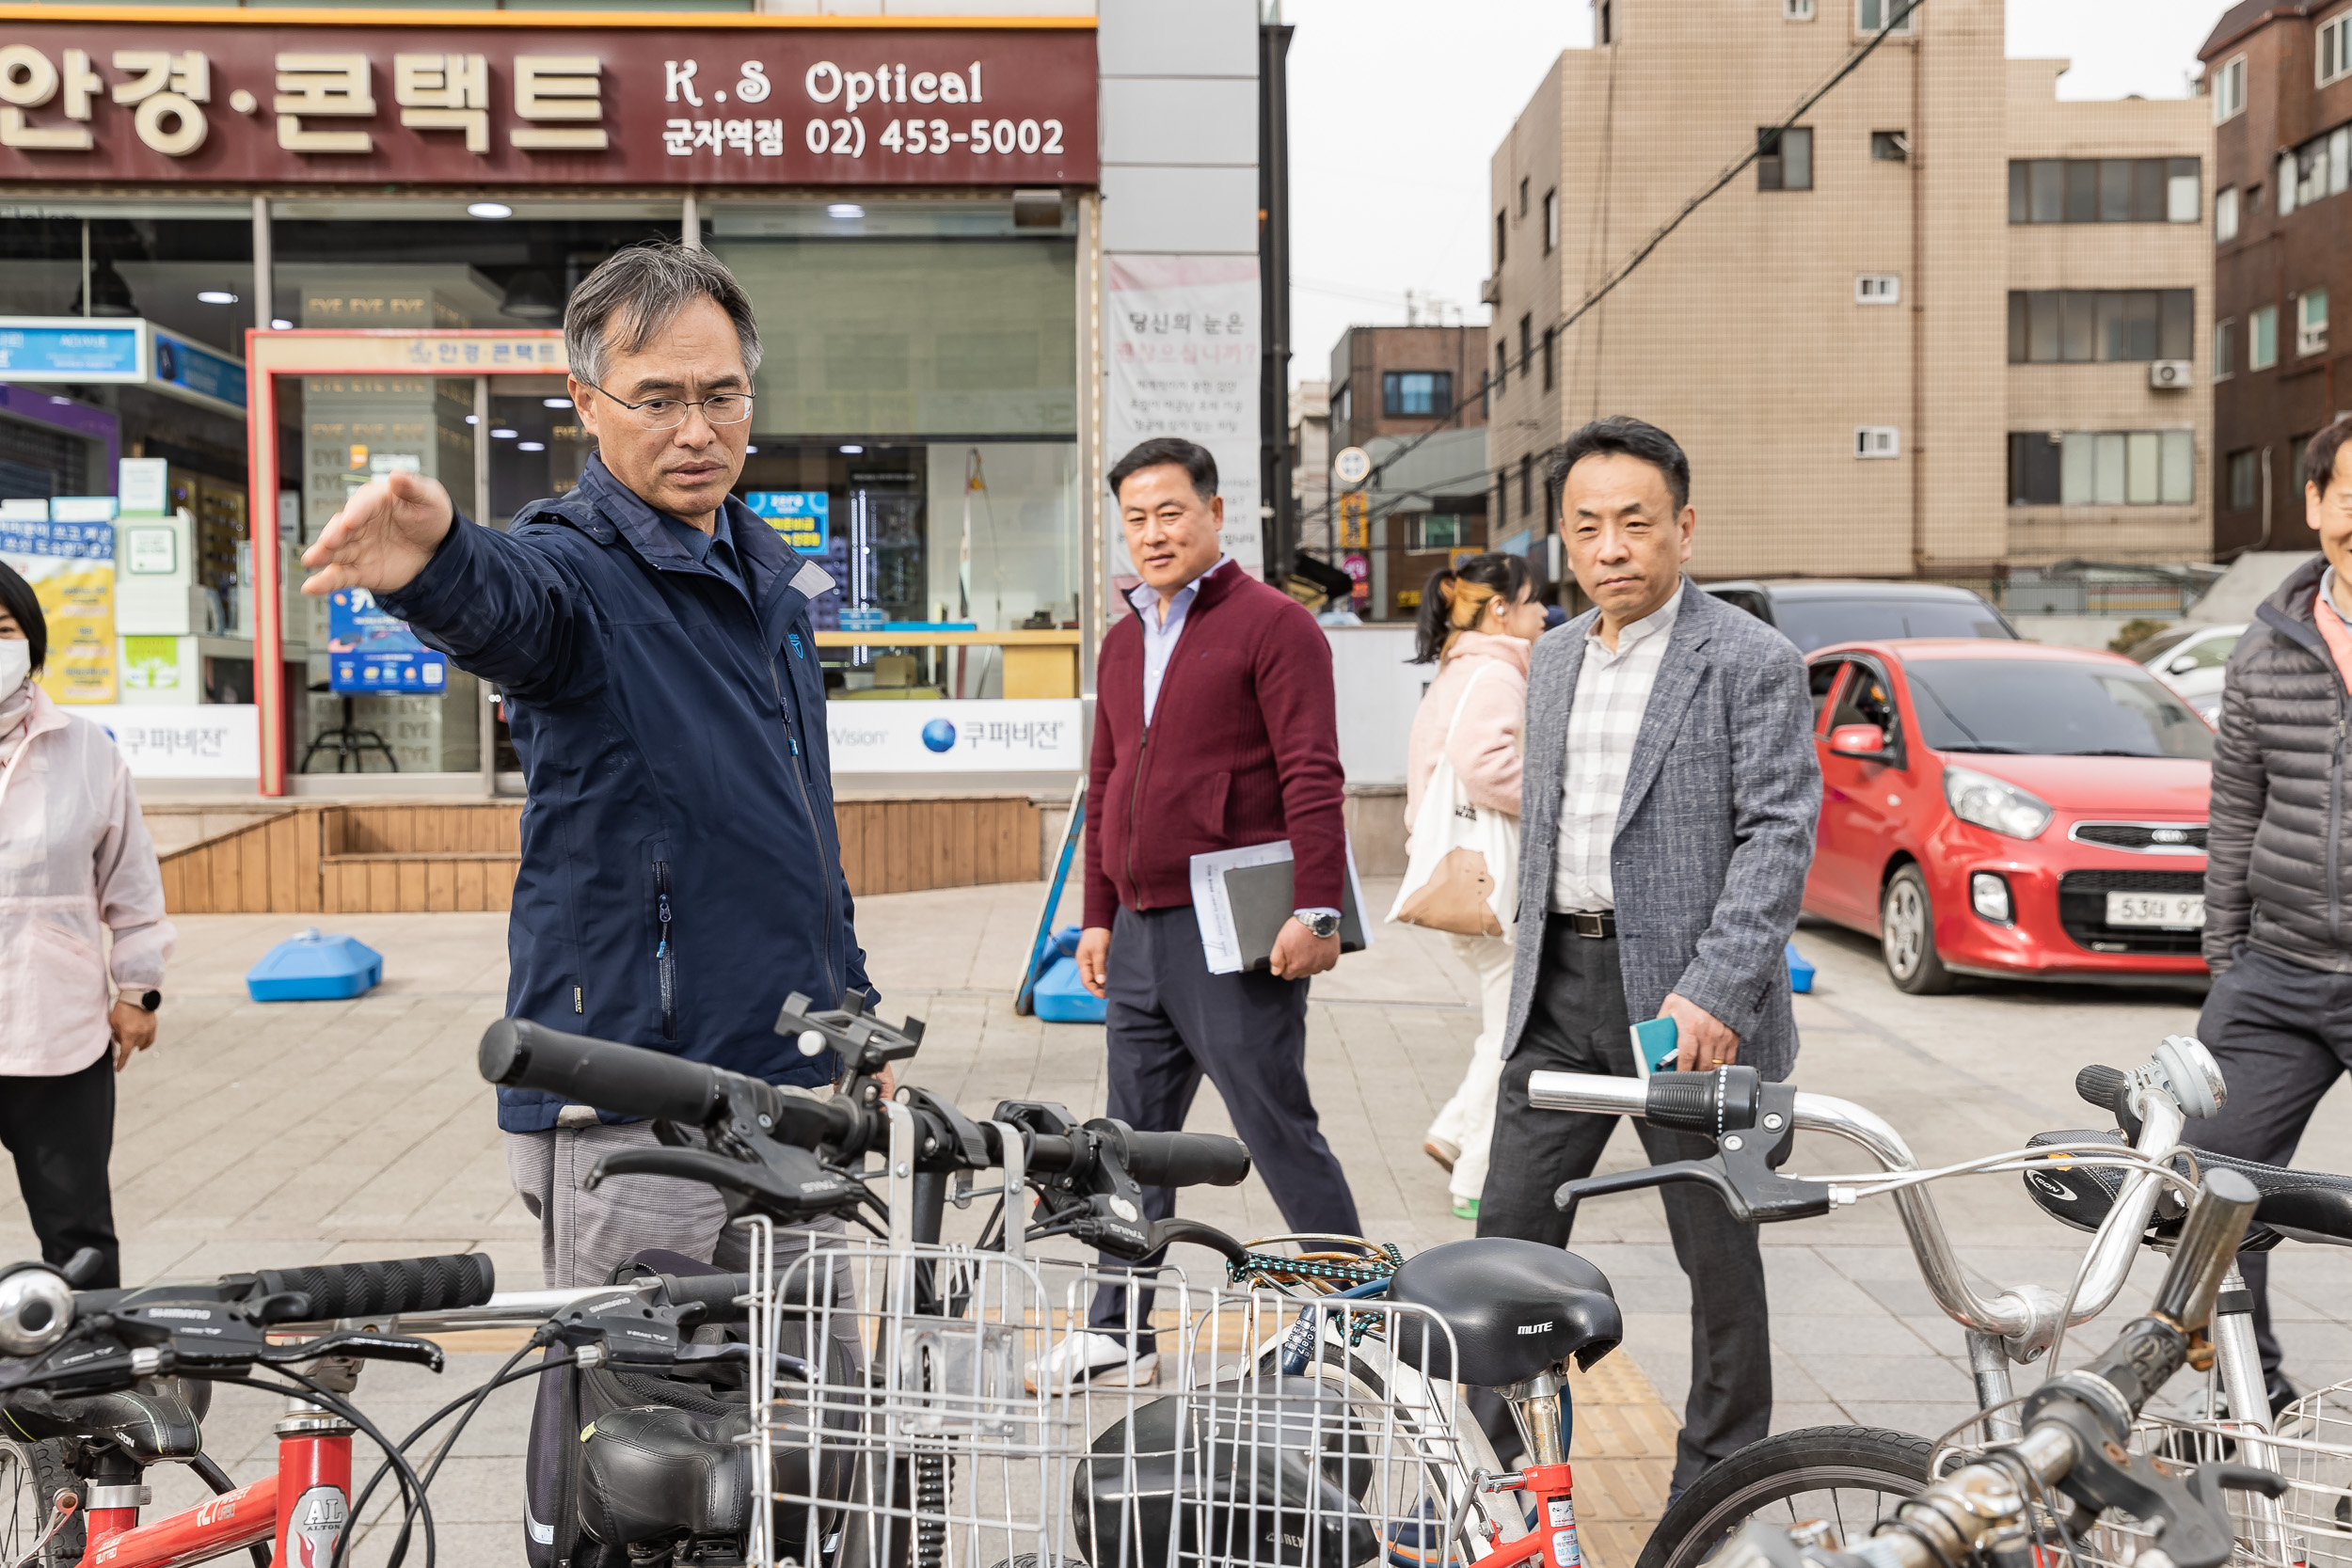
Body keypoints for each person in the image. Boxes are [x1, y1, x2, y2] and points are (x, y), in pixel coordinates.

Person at [300, 242, 876, 1292]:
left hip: (788, 1083)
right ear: (587, 403)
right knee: (624, 1425)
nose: (696, 429)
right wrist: (438, 567)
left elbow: (797, 833)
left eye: (721, 394)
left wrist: (853, 1003)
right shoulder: (571, 563)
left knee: (806, 1417)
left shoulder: (770, 585)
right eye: (657, 398)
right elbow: (510, 606)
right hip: (628, 1086)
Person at [1477, 417, 1819, 1497]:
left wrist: (1716, 987)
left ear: (1683, 525)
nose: (1611, 546)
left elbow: (1777, 833)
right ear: (1564, 541)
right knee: (1508, 1236)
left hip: (1685, 1002)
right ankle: (1490, 1476)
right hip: (1559, 991)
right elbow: (1550, 823)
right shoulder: (1558, 654)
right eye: (1587, 526)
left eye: (1634, 522)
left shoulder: (1749, 659)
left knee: (1716, 1254)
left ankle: (1718, 1477)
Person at [1043, 436, 1358, 1388]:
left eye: (1169, 512)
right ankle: (1118, 1328)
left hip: (1233, 929)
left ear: (1216, 513)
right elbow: (1104, 781)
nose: (1152, 533)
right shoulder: (1124, 633)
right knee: (1128, 1139)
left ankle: (1343, 1310)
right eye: (1134, 517)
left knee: (1274, 1125)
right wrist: (1095, 914)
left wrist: (1321, 907)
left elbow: (1313, 771)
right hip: (1137, 931)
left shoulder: (1273, 625)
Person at [2197, 413, 2352, 1415]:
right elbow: (2232, 811)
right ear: (2314, 504)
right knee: (2207, 1196)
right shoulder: (2265, 647)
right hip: (2281, 969)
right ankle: (2255, 1405)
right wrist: (2226, 967)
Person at [0, 562, 173, 1291]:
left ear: (31, 643)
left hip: (57, 1027)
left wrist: (139, 990)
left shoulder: (86, 749)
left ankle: (93, 1394)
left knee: (77, 1233)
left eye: (2, 630)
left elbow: (131, 880)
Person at [1402, 552, 1546, 1221]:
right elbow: (1485, 767)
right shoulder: (1494, 671)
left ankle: (1456, 1131)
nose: (1543, 613)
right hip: (1491, 884)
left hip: (1458, 877)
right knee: (1513, 1034)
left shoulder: (1456, 669)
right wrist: (1560, 797)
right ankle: (1475, 1174)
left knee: (1504, 1025)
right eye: (1534, 600)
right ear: (1500, 609)